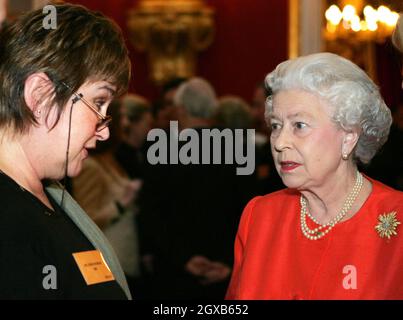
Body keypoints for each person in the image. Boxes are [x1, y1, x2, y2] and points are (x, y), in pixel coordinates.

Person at [226, 52, 403, 299]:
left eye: (299, 126)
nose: (279, 142)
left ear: (349, 136)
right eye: (276, 125)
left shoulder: (398, 219)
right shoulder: (259, 216)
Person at [0, 4, 132, 299]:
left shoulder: (48, 195)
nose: (105, 129)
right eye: (98, 103)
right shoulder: (8, 219)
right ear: (41, 95)